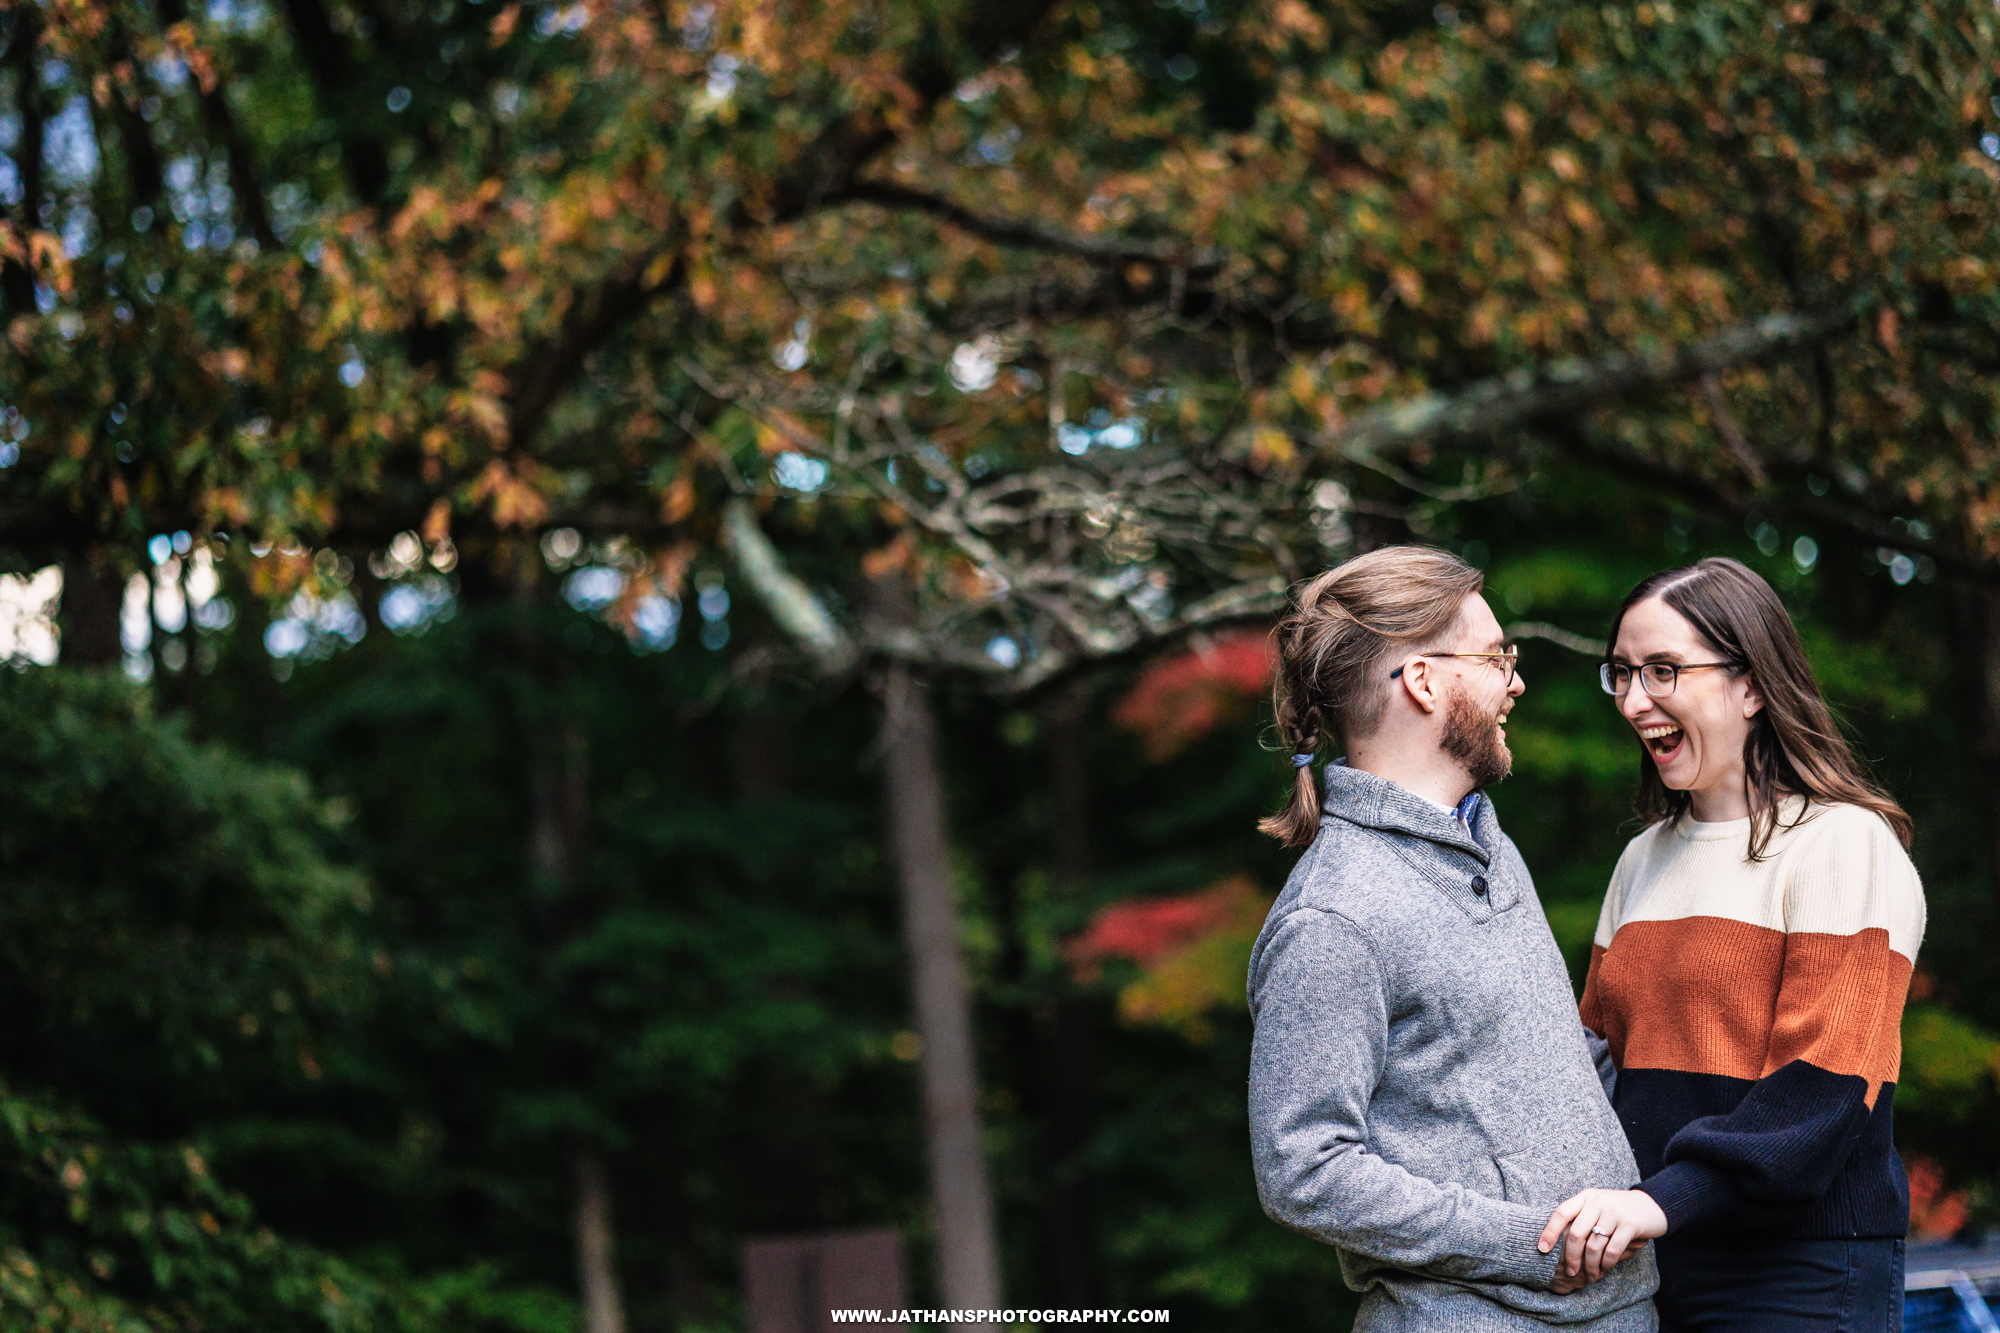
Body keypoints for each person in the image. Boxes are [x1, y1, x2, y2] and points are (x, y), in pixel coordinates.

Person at [1246, 545, 1658, 1332]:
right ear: (1425, 680)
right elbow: (1304, 1168)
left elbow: (1558, 1069)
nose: (1516, 680)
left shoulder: (1490, 848)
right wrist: (1531, 1243)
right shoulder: (1334, 917)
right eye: (1498, 655)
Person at [1545, 557, 1924, 1332]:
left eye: (1662, 670)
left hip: (1804, 1275)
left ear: (1751, 685)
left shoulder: (1843, 842)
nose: (1633, 700)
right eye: (1620, 673)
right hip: (1657, 1264)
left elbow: (1820, 1093)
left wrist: (1657, 1199)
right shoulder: (1641, 859)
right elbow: (1591, 1068)